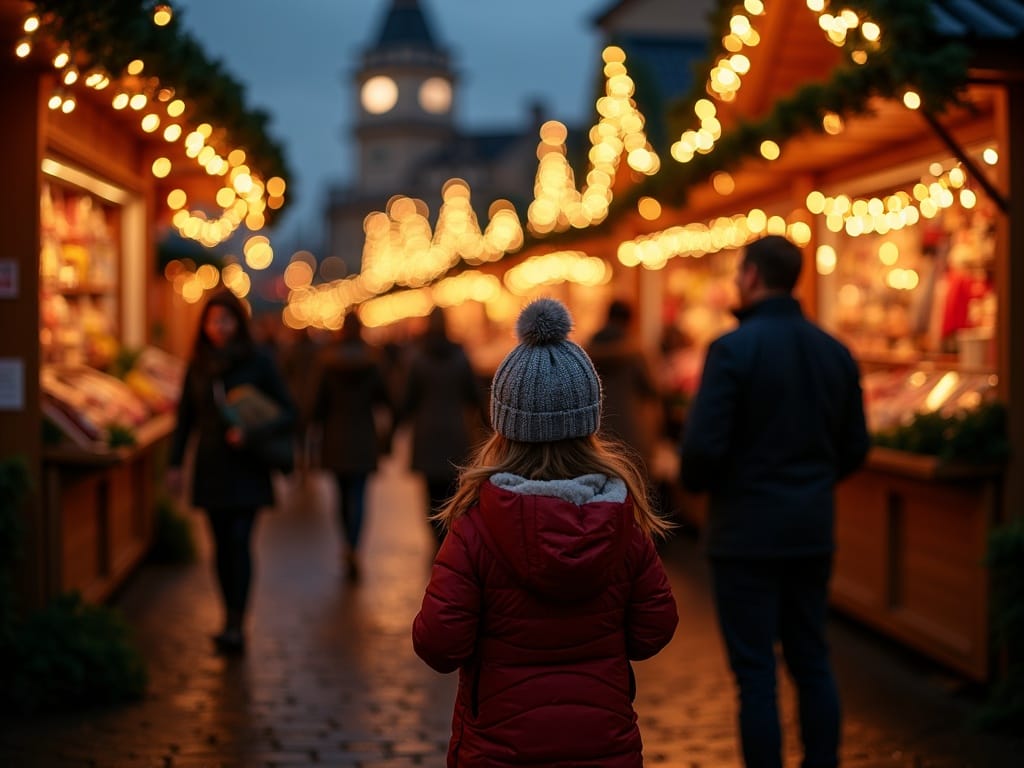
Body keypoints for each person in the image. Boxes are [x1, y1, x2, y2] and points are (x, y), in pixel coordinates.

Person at [413, 297, 678, 767]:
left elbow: (438, 642)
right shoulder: (622, 521)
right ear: (589, 424)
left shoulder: (476, 527)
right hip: (604, 745)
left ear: (504, 426)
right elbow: (653, 630)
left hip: (500, 748)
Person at [678, 235, 870, 768]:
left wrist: (700, 483)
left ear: (753, 276)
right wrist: (812, 484)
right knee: (812, 659)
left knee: (755, 673)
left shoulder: (732, 349)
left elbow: (702, 448)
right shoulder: (834, 351)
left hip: (744, 532)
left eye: (740, 273)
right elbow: (856, 446)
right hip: (810, 527)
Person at [167, 289, 297, 655]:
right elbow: (185, 419)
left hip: (248, 469)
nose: (218, 327)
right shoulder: (198, 364)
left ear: (238, 323)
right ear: (204, 325)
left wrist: (251, 432)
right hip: (210, 468)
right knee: (220, 545)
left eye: (225, 320)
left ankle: (237, 623)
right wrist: (175, 464)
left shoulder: (259, 362)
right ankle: (228, 615)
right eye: (212, 321)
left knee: (239, 542)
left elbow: (289, 411)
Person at [310, 312, 393, 582]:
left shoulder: (326, 361)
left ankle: (346, 542)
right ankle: (354, 546)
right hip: (363, 436)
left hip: (335, 436)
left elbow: (317, 405)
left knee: (340, 494)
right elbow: (386, 398)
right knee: (359, 494)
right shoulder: (373, 360)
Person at [398, 306, 487, 548]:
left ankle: (436, 540)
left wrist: (394, 428)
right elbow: (474, 397)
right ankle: (448, 539)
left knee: (430, 493)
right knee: (453, 491)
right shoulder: (460, 356)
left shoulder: (418, 358)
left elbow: (408, 401)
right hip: (455, 434)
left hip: (426, 435)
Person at [585, 299, 661, 474]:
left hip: (596, 431)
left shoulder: (587, 351)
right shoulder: (636, 352)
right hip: (631, 431)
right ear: (629, 320)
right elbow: (653, 389)